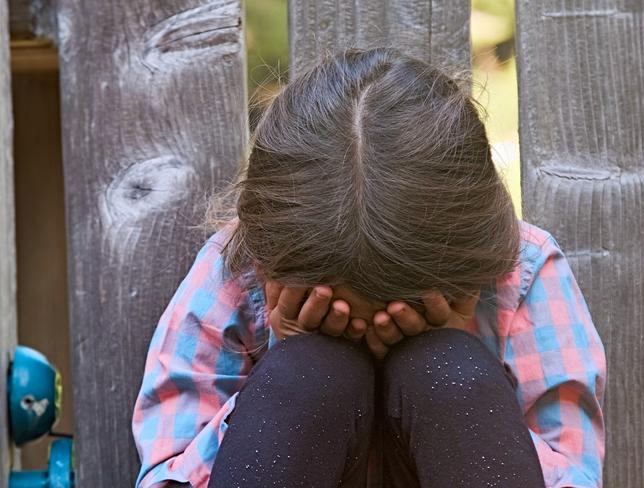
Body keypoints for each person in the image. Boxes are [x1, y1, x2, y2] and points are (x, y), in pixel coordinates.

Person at [132, 47, 606, 488]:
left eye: (399, 314)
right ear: (274, 258)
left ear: (464, 267)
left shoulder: (519, 269)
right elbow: (165, 473)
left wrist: (454, 366)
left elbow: (575, 473)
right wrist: (288, 364)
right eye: (341, 318)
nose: (369, 338)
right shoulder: (239, 266)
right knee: (310, 374)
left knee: (447, 373)